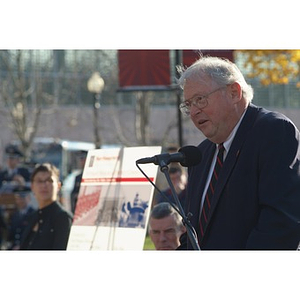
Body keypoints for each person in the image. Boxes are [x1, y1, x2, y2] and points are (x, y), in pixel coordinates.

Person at [177, 55, 300, 250]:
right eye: (188, 105)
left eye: (200, 100)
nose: (193, 112)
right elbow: (193, 235)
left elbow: (281, 223)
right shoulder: (200, 155)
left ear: (234, 92)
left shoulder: (273, 131)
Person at [20, 163, 73, 250]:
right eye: (39, 181)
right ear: (32, 187)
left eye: (49, 180)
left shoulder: (63, 218)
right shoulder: (31, 217)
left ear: (58, 186)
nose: (44, 185)